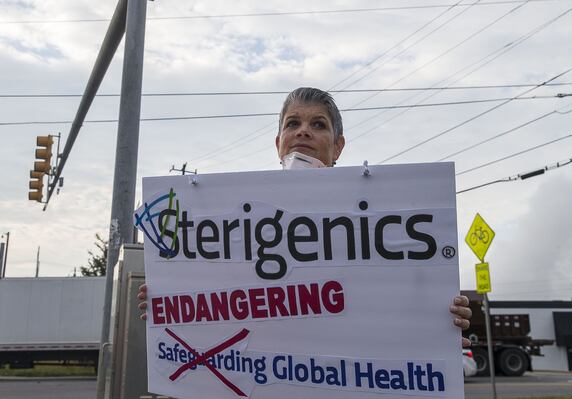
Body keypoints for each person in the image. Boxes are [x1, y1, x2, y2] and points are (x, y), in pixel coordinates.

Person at [138, 87, 472, 347]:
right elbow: (214, 301)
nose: (303, 132)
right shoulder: (231, 220)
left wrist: (437, 327)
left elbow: (399, 302)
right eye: (293, 123)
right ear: (278, 142)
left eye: (318, 124)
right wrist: (168, 302)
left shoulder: (381, 215)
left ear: (338, 146)